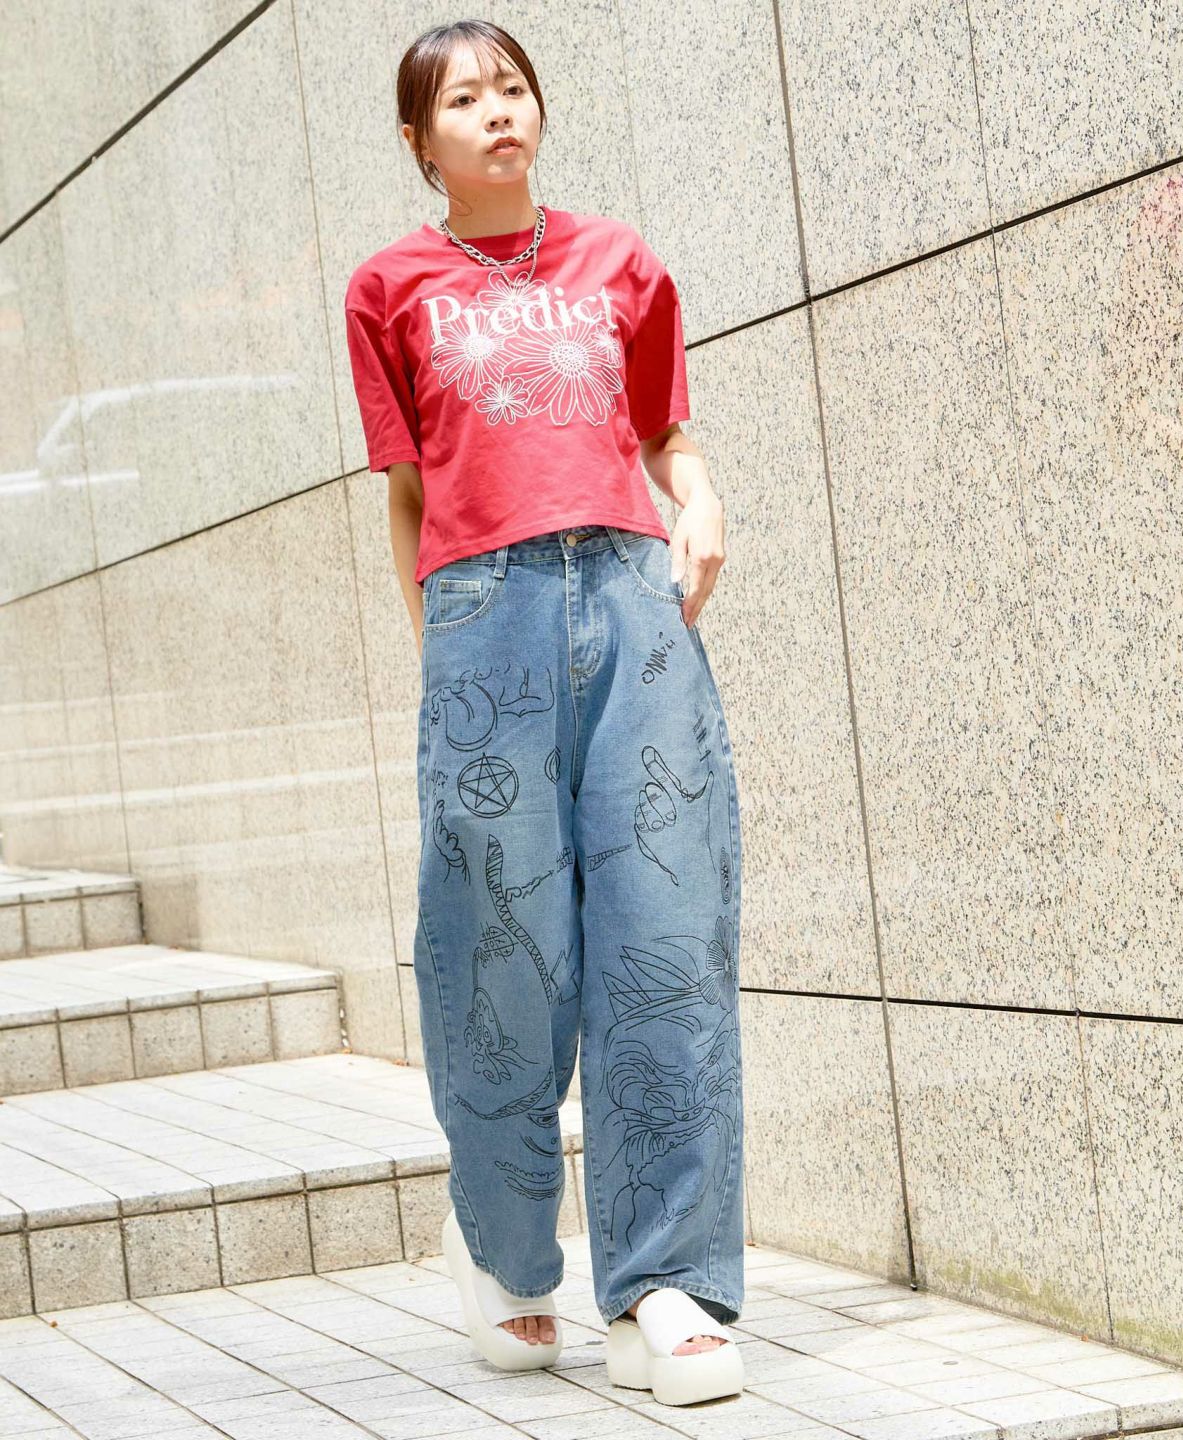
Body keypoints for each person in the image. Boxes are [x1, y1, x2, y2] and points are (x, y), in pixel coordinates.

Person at [344, 18, 745, 1405]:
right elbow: (408, 489)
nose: (498, 111)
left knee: (667, 931)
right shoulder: (388, 289)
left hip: (633, 604)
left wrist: (700, 501)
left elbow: (664, 432)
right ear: (421, 141)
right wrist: (440, 651)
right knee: (498, 951)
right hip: (484, 620)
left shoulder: (618, 262)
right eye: (465, 99)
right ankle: (509, 1255)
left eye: (512, 88)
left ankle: (665, 1283)